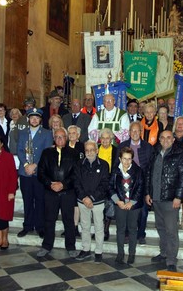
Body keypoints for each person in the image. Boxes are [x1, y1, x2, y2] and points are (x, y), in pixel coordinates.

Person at [145, 130, 183, 272]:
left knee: (171, 231)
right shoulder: (155, 153)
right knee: (160, 228)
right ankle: (164, 253)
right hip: (156, 197)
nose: (165, 140)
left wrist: (178, 197)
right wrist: (148, 193)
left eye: (168, 138)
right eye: (163, 138)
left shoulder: (179, 154)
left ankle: (171, 259)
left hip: (171, 199)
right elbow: (148, 174)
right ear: (159, 139)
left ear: (173, 139)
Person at [36, 127, 79, 258]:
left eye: (62, 136)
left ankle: (71, 246)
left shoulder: (74, 153)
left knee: (69, 221)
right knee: (49, 220)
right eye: (57, 137)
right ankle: (47, 246)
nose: (59, 139)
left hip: (67, 193)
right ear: (54, 139)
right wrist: (50, 184)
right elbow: (41, 173)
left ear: (66, 138)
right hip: (50, 192)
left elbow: (76, 174)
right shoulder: (46, 152)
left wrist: (63, 184)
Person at [17, 108, 53, 238]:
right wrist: (26, 165)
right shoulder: (22, 133)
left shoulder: (47, 133)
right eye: (32, 117)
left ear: (40, 120)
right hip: (25, 171)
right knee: (27, 200)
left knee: (39, 199)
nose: (34, 120)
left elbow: (47, 152)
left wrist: (35, 165)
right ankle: (27, 226)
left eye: (37, 118)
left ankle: (40, 226)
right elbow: (19, 150)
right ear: (28, 119)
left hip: (39, 172)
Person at [117, 121, 154, 244]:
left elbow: (150, 168)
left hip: (142, 186)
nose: (135, 133)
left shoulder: (148, 147)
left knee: (143, 212)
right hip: (125, 186)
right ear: (129, 132)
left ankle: (141, 234)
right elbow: (116, 167)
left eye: (137, 130)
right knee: (127, 211)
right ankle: (127, 234)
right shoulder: (122, 146)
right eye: (132, 130)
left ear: (141, 132)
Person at [74, 140, 110, 263]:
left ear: (97, 151)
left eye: (92, 150)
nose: (89, 152)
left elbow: (104, 184)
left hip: (98, 202)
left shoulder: (104, 165)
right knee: (85, 226)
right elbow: (76, 182)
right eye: (87, 150)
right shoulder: (78, 164)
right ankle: (86, 249)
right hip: (82, 201)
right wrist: (84, 198)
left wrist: (92, 198)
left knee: (99, 227)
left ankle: (98, 251)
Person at [110, 146, 144, 265]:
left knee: (132, 229)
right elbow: (110, 187)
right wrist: (118, 201)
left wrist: (131, 202)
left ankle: (131, 254)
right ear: (120, 158)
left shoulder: (138, 171)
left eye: (129, 159)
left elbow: (140, 188)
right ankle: (120, 253)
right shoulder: (115, 171)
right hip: (119, 204)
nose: (127, 161)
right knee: (120, 229)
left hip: (133, 206)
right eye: (124, 158)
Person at [98, 128, 118, 240]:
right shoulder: (96, 149)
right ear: (100, 139)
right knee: (99, 208)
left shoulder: (116, 150)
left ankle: (105, 230)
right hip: (97, 182)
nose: (105, 140)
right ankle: (99, 230)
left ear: (111, 139)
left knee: (109, 207)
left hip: (110, 182)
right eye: (103, 138)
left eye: (107, 138)